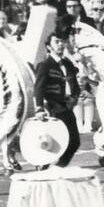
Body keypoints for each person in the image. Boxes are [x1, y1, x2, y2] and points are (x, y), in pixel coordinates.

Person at [32, 30, 81, 167]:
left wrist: (74, 97)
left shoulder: (68, 64)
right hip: (52, 108)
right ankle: (43, 167)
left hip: (67, 108)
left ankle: (60, 167)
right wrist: (39, 108)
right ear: (49, 46)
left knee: (74, 142)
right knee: (51, 142)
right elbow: (39, 88)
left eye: (62, 41)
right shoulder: (45, 65)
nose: (60, 44)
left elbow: (75, 86)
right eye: (57, 42)